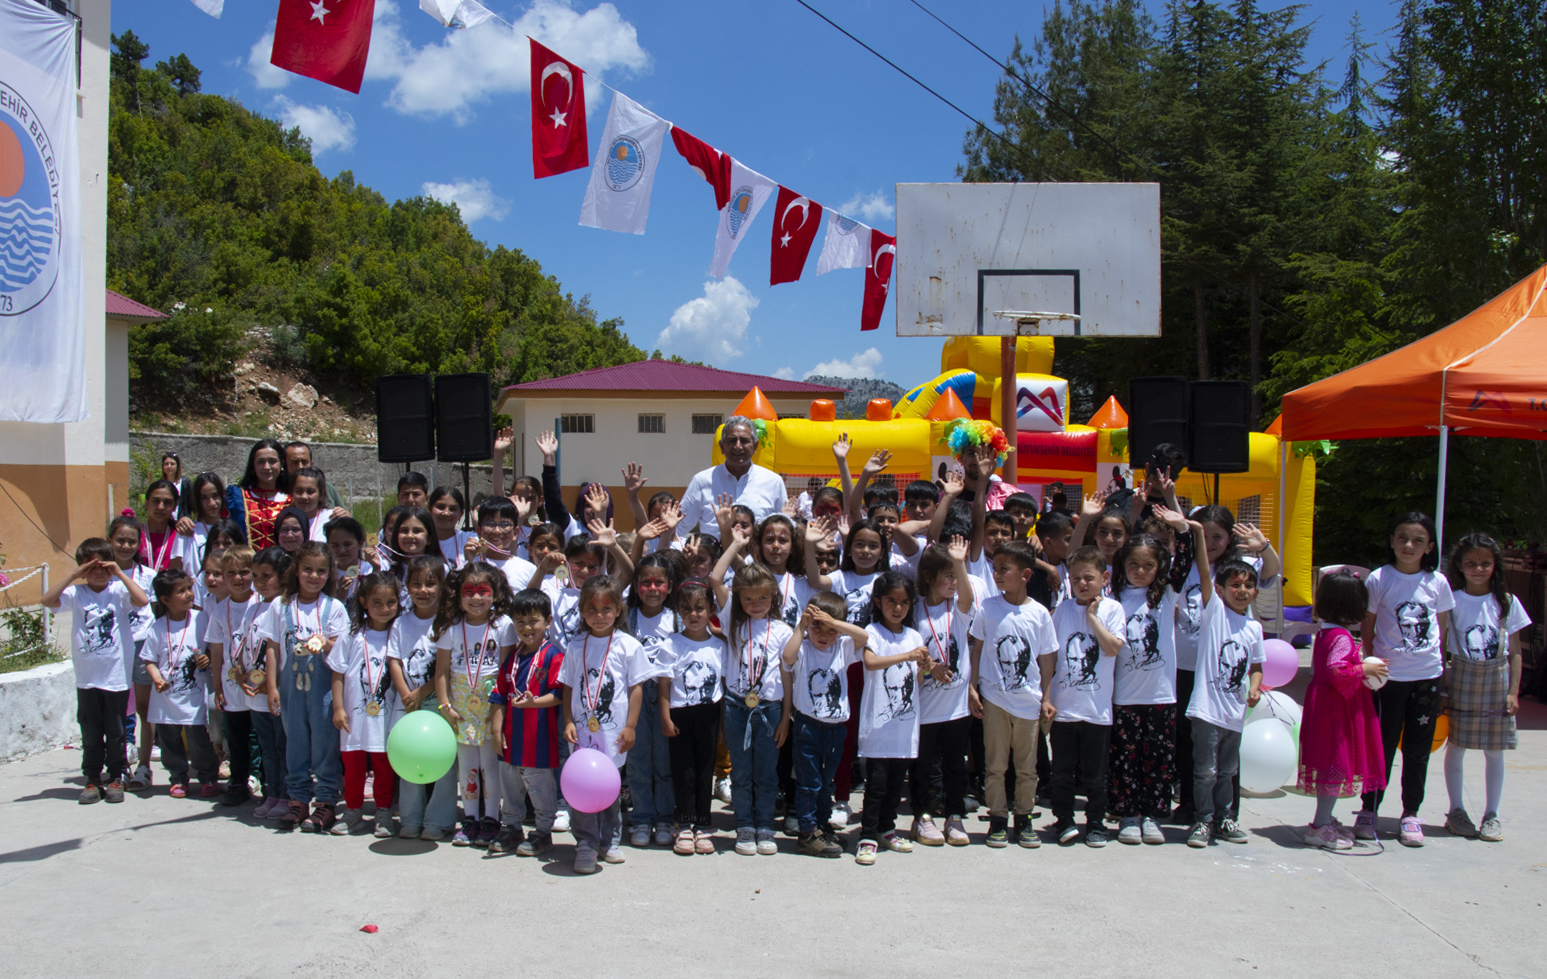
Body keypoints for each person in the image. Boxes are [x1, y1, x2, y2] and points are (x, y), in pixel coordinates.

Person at [1173, 504, 1278, 825]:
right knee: (1188, 741)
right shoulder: (1183, 565)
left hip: (1223, 672)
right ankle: (1190, 804)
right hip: (1185, 665)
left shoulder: (1241, 567)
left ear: (1230, 538)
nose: (1210, 543)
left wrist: (1265, 546)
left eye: (1217, 536)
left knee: (1227, 747)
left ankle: (1226, 812)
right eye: (1203, 535)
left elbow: (1273, 570)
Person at [1354, 512, 1454, 847]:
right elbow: (1367, 625)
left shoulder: (1437, 582)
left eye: (1417, 540)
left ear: (1430, 547)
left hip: (1427, 678)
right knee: (1381, 746)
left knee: (1418, 749)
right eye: (1402, 538)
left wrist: (1441, 668)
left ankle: (1410, 813)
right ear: (1392, 541)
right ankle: (1369, 808)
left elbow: (1442, 626)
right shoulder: (1379, 578)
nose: (1408, 545)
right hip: (1388, 678)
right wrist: (1370, 661)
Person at [42, 538, 150, 804]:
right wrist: (73, 575)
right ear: (82, 568)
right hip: (88, 678)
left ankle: (116, 775)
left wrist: (119, 573)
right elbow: (47, 600)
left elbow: (142, 600)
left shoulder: (118, 590)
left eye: (103, 566)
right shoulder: (76, 594)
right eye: (91, 567)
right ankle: (92, 778)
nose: (98, 572)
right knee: (90, 732)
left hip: (115, 677)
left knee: (116, 731)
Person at [1108, 526, 1195, 846]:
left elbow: (1185, 560)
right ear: (1122, 564)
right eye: (1133, 564)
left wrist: (1182, 527)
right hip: (1124, 696)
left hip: (1161, 695)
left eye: (1149, 565)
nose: (1141, 571)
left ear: (1159, 567)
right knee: (1124, 759)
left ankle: (1151, 816)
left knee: (1158, 760)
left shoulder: (1167, 593)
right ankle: (1128, 815)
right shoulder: (1114, 597)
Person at [559, 574, 651, 873]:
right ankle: (585, 843)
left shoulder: (629, 646)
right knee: (583, 785)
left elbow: (636, 688)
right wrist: (568, 720)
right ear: (582, 611)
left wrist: (631, 726)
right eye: (592, 609)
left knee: (609, 786)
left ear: (618, 610)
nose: (599, 616)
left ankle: (610, 839)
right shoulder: (576, 646)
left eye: (606, 609)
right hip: (582, 732)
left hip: (613, 733)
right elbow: (567, 687)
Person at [968, 540, 1058, 848]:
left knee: (1027, 768)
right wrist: (973, 687)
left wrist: (1046, 697)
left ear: (1025, 574)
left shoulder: (1040, 613)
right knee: (995, 765)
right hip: (994, 700)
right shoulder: (988, 608)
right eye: (994, 569)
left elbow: (1047, 658)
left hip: (1028, 703)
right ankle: (997, 818)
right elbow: (977, 649)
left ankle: (1024, 818)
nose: (996, 575)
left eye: (1004, 569)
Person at [1442, 532, 1529, 843]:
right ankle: (1457, 811)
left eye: (1485, 563)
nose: (1478, 569)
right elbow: (1441, 647)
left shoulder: (1507, 602)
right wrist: (1441, 688)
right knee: (1457, 747)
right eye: (1471, 563)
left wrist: (1513, 692)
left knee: (1495, 751)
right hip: (1462, 679)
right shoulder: (1451, 601)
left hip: (1497, 682)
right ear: (1459, 565)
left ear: (1495, 566)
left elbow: (1515, 651)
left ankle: (1492, 814)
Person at [256, 541, 349, 832]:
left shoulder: (335, 608)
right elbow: (272, 647)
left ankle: (326, 801)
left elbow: (342, 652)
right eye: (307, 569)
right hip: (290, 691)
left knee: (324, 746)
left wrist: (325, 642)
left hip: (323, 691)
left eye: (321, 571)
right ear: (296, 571)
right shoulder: (281, 605)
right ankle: (297, 799)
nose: (314, 576)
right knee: (295, 744)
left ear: (329, 573)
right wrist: (272, 686)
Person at [1297, 570, 1386, 850]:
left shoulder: (1326, 632)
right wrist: (1365, 669)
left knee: (1331, 766)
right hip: (1335, 712)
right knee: (1335, 767)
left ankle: (1325, 818)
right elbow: (1337, 671)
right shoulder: (1342, 637)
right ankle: (1319, 826)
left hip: (1326, 706)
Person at [1184, 541, 1265, 849]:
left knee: (1228, 771)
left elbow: (1256, 666)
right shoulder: (1215, 612)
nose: (1242, 590)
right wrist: (1197, 533)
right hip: (1207, 711)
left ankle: (1224, 819)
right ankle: (1203, 820)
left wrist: (1254, 688)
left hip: (1235, 713)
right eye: (1235, 584)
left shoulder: (1254, 628)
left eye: (1248, 585)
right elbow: (1205, 573)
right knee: (1205, 771)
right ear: (1221, 589)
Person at [1047, 546, 1126, 847]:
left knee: (1096, 776)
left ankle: (1095, 822)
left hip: (1096, 711)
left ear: (1105, 578)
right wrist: (1047, 697)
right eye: (1076, 578)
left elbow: (1112, 648)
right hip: (1065, 709)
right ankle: (1064, 819)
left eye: (1089, 578)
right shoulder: (1063, 610)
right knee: (1062, 772)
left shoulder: (1113, 609)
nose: (1082, 583)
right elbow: (1050, 655)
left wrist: (1093, 618)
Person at [434, 562, 517, 849]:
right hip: (460, 708)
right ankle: (470, 819)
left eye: (483, 591)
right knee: (467, 766)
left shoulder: (503, 625)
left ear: (495, 594)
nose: (476, 597)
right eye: (469, 591)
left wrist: (500, 710)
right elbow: (441, 671)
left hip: (491, 707)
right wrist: (444, 706)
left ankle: (492, 819)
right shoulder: (451, 628)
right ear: (458, 595)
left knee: (490, 766)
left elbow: (506, 671)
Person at [853, 572, 931, 865]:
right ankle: (867, 836)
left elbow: (918, 680)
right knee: (876, 787)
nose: (898, 608)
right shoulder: (872, 631)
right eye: (891, 601)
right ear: (877, 601)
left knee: (896, 787)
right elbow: (870, 662)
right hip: (878, 729)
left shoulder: (914, 636)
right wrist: (907, 656)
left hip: (904, 728)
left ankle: (887, 830)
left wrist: (926, 666)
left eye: (904, 602)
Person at [780, 592, 863, 858]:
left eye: (831, 630)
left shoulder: (843, 647)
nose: (824, 635)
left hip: (836, 728)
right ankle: (807, 832)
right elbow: (787, 657)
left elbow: (863, 637)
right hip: (808, 727)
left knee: (826, 784)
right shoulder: (803, 647)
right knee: (809, 783)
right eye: (818, 627)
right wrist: (802, 626)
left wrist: (834, 623)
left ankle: (822, 825)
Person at [721, 563, 795, 856]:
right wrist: (735, 544)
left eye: (763, 598)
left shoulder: (782, 631)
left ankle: (765, 825)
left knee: (766, 774)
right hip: (736, 707)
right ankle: (744, 826)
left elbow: (787, 676)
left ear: (773, 597)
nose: (756, 604)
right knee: (740, 773)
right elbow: (715, 578)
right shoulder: (732, 623)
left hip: (770, 710)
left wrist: (786, 718)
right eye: (748, 598)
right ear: (738, 598)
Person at [909, 538, 978, 847]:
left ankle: (954, 816)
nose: (953, 582)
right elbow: (911, 654)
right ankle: (922, 816)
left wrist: (960, 563)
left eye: (956, 576)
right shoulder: (915, 612)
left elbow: (967, 595)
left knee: (955, 766)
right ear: (928, 576)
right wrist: (930, 668)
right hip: (924, 708)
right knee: (922, 767)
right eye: (947, 575)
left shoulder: (959, 609)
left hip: (956, 708)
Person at [488, 588, 567, 857]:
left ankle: (543, 832)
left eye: (534, 621)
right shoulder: (512, 657)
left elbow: (559, 695)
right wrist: (496, 730)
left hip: (539, 740)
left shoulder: (553, 656)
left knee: (540, 787)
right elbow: (499, 695)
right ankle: (511, 827)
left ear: (548, 621)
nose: (527, 628)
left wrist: (534, 703)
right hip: (511, 738)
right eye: (520, 622)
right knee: (510, 785)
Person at [387, 554, 457, 841]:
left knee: (443, 762)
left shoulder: (449, 623)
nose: (423, 590)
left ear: (442, 586)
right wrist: (407, 695)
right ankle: (411, 818)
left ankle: (438, 821)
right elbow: (394, 661)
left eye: (430, 583)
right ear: (407, 587)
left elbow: (446, 668)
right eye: (416, 584)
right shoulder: (401, 623)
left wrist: (422, 693)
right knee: (409, 758)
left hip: (439, 704)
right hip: (408, 706)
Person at [328, 571, 400, 838]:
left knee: (384, 766)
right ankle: (353, 812)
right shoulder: (352, 634)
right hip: (354, 717)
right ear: (363, 602)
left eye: (390, 602)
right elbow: (337, 673)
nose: (384, 609)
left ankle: (383, 812)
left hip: (385, 717)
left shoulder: (397, 634)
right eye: (376, 603)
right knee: (354, 766)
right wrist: (338, 708)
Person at [140, 569, 219, 798]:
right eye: (181, 591)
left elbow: (212, 647)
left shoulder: (200, 618)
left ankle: (208, 777)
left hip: (194, 698)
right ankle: (178, 778)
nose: (189, 594)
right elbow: (149, 660)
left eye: (189, 588)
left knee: (198, 739)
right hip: (166, 699)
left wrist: (206, 658)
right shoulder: (157, 627)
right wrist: (157, 678)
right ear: (165, 600)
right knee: (169, 740)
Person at [661, 580, 726, 855]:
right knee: (683, 772)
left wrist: (721, 726)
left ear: (710, 609)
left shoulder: (719, 646)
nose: (694, 614)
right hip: (680, 715)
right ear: (678, 611)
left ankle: (703, 824)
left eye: (700, 608)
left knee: (704, 772)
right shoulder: (672, 643)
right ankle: (684, 824)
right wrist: (665, 717)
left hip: (709, 715)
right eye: (686, 609)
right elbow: (664, 685)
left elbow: (723, 688)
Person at [624, 552, 681, 847]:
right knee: (638, 761)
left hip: (666, 696)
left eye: (659, 582)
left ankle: (664, 818)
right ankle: (642, 817)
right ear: (636, 586)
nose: (653, 588)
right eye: (646, 582)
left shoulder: (677, 619)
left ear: (669, 586)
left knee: (665, 761)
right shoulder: (627, 617)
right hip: (634, 694)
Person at [108, 512, 159, 791]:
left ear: (139, 544)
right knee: (115, 709)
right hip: (113, 648)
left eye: (131, 541)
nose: (126, 546)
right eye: (120, 540)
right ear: (109, 541)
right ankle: (118, 767)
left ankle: (144, 767)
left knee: (144, 708)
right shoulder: (101, 576)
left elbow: (155, 612)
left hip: (141, 646)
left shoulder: (148, 576)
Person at [206, 545, 260, 806]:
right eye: (231, 573)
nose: (238, 578)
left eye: (244, 572)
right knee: (236, 736)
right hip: (231, 686)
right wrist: (217, 687)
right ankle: (238, 781)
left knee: (259, 736)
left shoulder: (261, 603)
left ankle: (260, 778)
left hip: (258, 684)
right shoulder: (220, 610)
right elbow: (216, 651)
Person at [676, 416, 787, 538]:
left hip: (755, 551)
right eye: (732, 441)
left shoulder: (773, 482)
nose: (738, 446)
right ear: (722, 447)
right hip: (714, 551)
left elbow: (784, 530)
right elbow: (679, 527)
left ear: (755, 446)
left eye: (744, 440)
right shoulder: (702, 481)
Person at [246, 547, 291, 820]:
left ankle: (286, 795)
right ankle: (271, 793)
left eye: (266, 576)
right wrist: (243, 675)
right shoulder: (253, 608)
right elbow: (244, 646)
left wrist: (272, 683)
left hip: (278, 691)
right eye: (255, 576)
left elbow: (280, 650)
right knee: (267, 747)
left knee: (283, 746)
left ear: (283, 576)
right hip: (256, 693)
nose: (260, 582)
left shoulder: (286, 607)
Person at [226, 439, 291, 551]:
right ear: (253, 465)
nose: (266, 467)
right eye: (261, 462)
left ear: (282, 464)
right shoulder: (236, 497)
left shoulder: (292, 500)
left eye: (272, 461)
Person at [464, 497, 538, 594]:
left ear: (516, 532)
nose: (497, 531)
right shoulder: (470, 564)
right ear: (479, 531)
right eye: (490, 524)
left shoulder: (529, 569)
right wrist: (469, 563)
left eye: (504, 524)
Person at [174, 472, 227, 573]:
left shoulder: (230, 529)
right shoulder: (187, 531)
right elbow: (175, 571)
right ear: (197, 500)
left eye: (215, 496)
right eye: (204, 498)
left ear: (222, 496)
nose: (211, 503)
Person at [283, 441, 350, 511]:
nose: (300, 467)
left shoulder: (326, 487)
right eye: (294, 462)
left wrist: (344, 513)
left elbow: (345, 515)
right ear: (285, 465)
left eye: (304, 462)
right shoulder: (278, 491)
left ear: (311, 464)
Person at [428, 485, 472, 567]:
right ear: (430, 509)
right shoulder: (421, 541)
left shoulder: (468, 540)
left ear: (461, 514)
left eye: (453, 509)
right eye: (440, 507)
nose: (446, 513)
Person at [161, 451, 194, 519]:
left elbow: (191, 505)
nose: (169, 466)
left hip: (181, 522)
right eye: (166, 464)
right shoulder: (160, 484)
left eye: (172, 464)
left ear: (177, 466)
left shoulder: (185, 483)